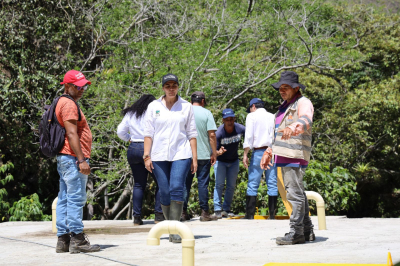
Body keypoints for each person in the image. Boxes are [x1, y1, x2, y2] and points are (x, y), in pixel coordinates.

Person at [260, 71, 315, 245]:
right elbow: (278, 134)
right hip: (283, 154)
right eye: (280, 88)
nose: (282, 91)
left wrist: (295, 126)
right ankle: (306, 230)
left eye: (286, 87)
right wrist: (269, 151)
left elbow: (307, 119)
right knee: (298, 193)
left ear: (296, 88)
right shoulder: (284, 106)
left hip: (295, 153)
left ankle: (296, 232)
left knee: (294, 194)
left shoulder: (303, 102)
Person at [143, 74, 198, 243]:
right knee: (164, 191)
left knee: (176, 187)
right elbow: (148, 133)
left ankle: (175, 230)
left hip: (181, 153)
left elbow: (192, 133)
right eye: (168, 86)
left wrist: (194, 158)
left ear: (178, 87)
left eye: (174, 85)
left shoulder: (186, 106)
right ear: (163, 88)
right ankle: (169, 225)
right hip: (159, 155)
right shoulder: (153, 106)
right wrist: (146, 156)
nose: (171, 88)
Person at [55, 70, 100, 253]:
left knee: (65, 198)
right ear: (67, 86)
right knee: (75, 198)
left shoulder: (61, 102)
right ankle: (78, 240)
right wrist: (81, 160)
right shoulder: (69, 105)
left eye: (84, 86)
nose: (82, 89)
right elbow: (72, 133)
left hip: (65, 157)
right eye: (78, 86)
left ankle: (63, 240)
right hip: (73, 158)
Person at [117, 94, 165, 226]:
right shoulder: (155, 112)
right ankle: (159, 215)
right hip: (149, 148)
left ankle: (137, 217)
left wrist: (129, 138)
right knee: (161, 182)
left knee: (138, 184)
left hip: (133, 148)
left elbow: (120, 131)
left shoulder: (131, 113)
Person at [182, 91, 218, 222]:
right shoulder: (206, 113)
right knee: (203, 183)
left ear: (191, 101)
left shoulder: (184, 111)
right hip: (203, 154)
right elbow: (212, 135)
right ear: (203, 101)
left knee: (185, 183)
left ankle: (183, 212)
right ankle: (204, 213)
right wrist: (214, 152)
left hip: (186, 154)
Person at [243, 98, 278, 220]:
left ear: (253, 106)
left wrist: (245, 154)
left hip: (258, 152)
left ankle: (249, 215)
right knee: (272, 183)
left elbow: (248, 137)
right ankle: (272, 215)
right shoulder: (272, 116)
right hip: (272, 152)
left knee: (253, 183)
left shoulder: (251, 117)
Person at [213, 108, 245, 218]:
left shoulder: (240, 128)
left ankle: (226, 209)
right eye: (227, 120)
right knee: (219, 185)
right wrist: (219, 152)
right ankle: (217, 209)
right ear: (223, 120)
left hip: (234, 161)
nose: (230, 121)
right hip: (221, 161)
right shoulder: (219, 133)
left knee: (231, 186)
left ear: (234, 119)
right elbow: (213, 153)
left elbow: (251, 136)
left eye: (231, 119)